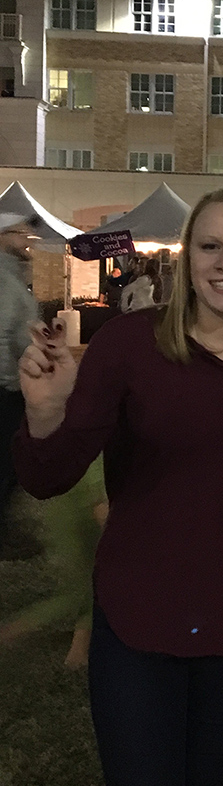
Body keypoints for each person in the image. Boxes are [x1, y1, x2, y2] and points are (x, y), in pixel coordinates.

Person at [14, 187, 223, 786]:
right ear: (185, 256)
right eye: (211, 246)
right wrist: (46, 410)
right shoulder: (131, 346)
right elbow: (47, 477)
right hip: (140, 621)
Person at [0, 455, 107, 668]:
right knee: (76, 594)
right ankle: (11, 631)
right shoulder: (102, 454)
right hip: (70, 525)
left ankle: (79, 650)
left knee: (96, 586)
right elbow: (100, 509)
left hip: (77, 519)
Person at [0, 211, 38, 552]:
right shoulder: (3, 279)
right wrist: (10, 379)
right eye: (18, 232)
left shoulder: (13, 278)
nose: (26, 238)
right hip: (4, 387)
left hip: (10, 384)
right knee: (6, 460)